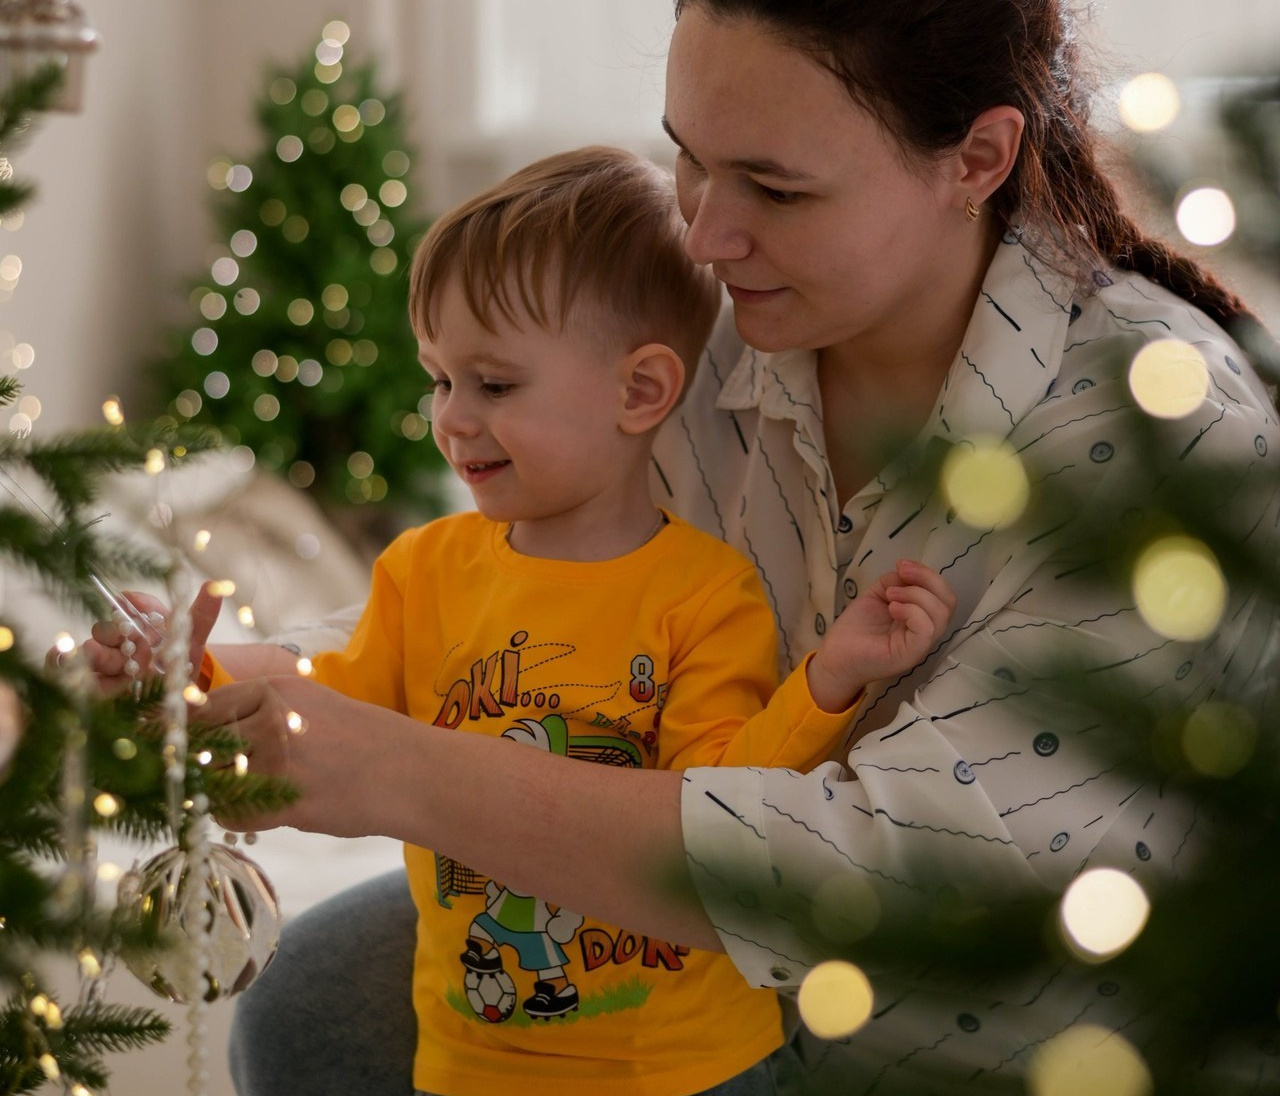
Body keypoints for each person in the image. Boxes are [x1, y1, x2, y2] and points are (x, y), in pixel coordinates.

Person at [128, 0, 1280, 1095]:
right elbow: (517, 609)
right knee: (317, 998)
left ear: (975, 159)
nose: (706, 232)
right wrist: (235, 679)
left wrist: (401, 773)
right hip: (697, 986)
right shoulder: (704, 341)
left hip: (993, 1037)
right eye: (688, 156)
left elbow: (901, 879)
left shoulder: (1154, 429)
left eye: (775, 190)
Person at [90, 145, 956, 1096]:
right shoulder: (424, 570)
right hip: (468, 1064)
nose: (452, 419)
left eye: (494, 385)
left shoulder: (706, 595)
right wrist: (197, 673)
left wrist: (827, 681)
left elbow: (720, 802)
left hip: (680, 1071)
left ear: (640, 391)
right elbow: (327, 709)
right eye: (439, 380)